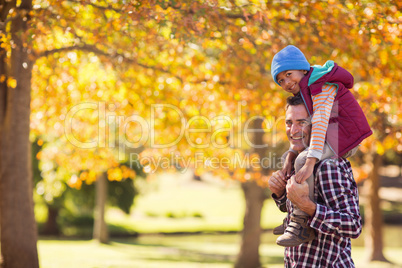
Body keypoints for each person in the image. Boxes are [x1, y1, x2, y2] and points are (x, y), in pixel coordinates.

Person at [270, 45, 372, 246]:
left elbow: (320, 123)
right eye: (280, 80)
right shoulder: (309, 88)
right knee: (291, 158)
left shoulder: (320, 86)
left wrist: (309, 162)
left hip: (344, 135)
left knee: (301, 160)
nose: (286, 82)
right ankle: (294, 219)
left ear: (303, 69)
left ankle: (299, 225)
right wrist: (281, 192)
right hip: (334, 134)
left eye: (289, 74)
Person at [268, 95, 362, 267]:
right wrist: (281, 193)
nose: (293, 130)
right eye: (289, 123)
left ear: (317, 126)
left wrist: (308, 206)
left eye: (302, 122)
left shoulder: (328, 166)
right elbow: (293, 209)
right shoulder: (298, 160)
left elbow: (353, 225)